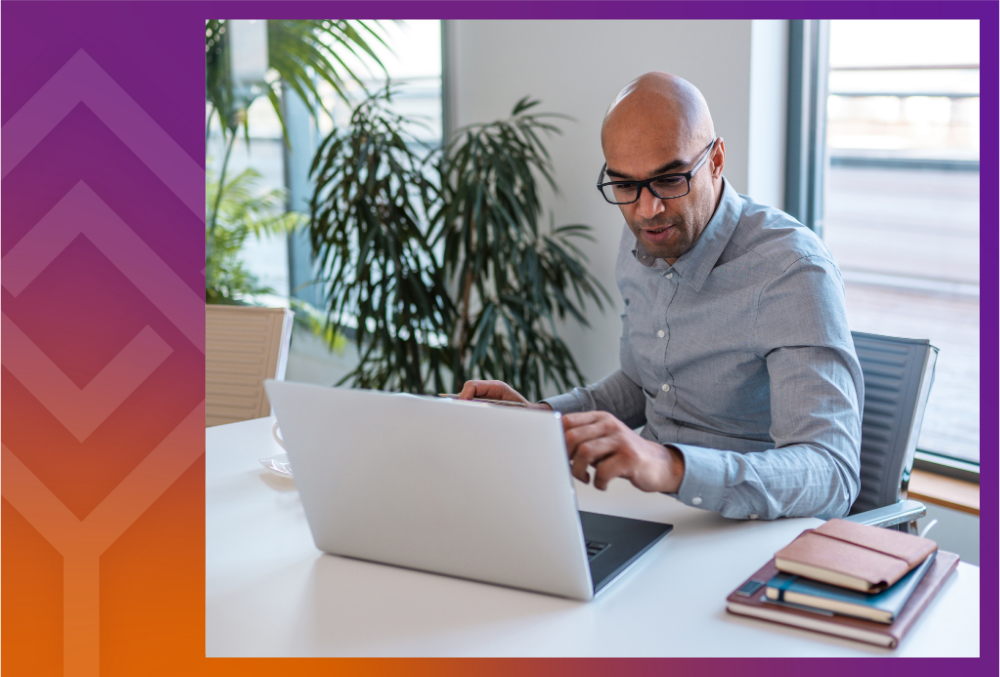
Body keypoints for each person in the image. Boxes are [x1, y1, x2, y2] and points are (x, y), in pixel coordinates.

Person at [459, 72, 863, 520]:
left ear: (716, 160)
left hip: (747, 525)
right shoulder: (645, 239)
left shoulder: (792, 269)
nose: (646, 210)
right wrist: (541, 419)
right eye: (625, 185)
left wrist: (670, 466)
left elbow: (832, 474)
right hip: (646, 509)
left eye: (669, 180)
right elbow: (641, 385)